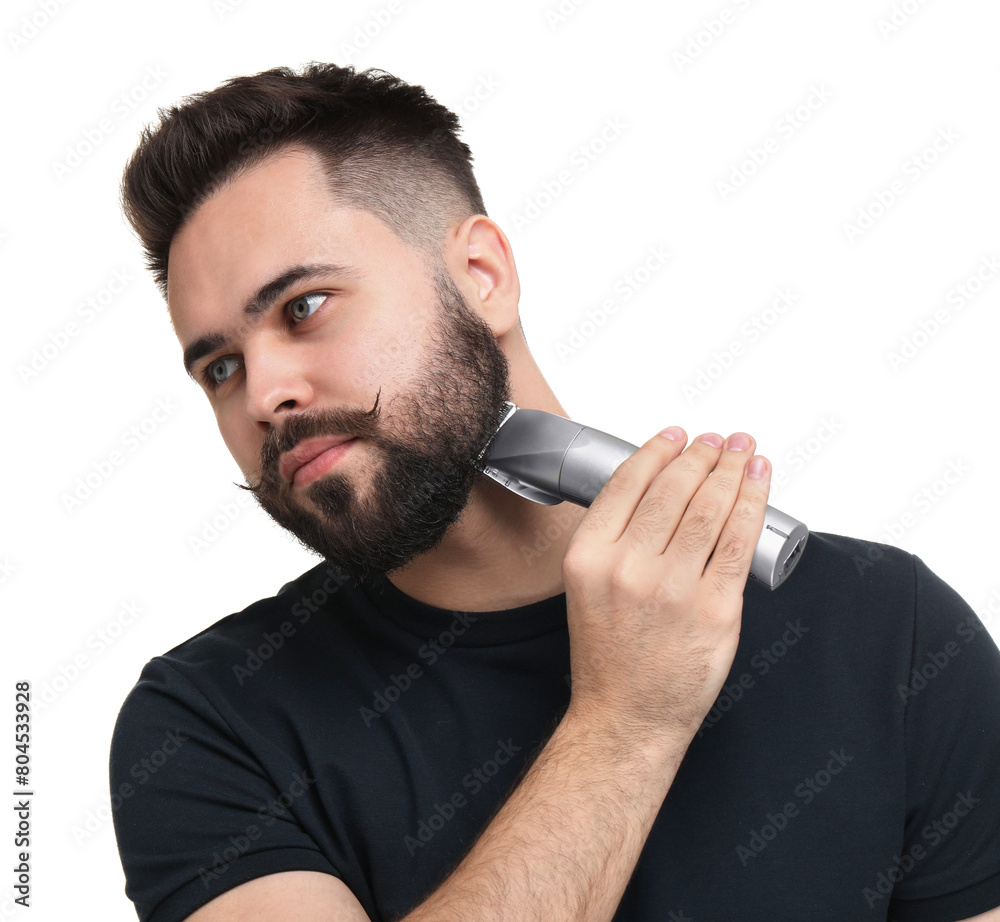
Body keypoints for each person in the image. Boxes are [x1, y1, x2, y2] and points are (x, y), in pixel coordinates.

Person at [109, 62, 1000, 922]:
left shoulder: (889, 631)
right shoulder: (206, 726)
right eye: (220, 367)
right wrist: (626, 720)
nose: (263, 395)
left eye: (303, 308)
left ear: (481, 277)